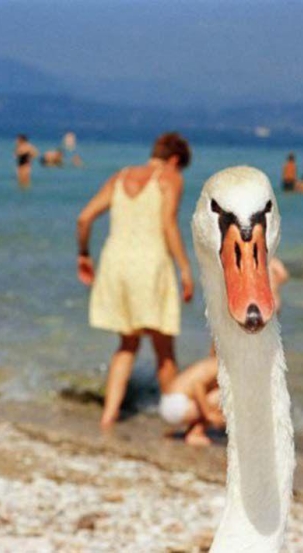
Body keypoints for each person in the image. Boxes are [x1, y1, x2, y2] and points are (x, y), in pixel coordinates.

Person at [77, 132, 194, 432]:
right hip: (150, 264)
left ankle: (108, 418)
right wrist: (184, 268)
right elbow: (168, 225)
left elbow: (84, 218)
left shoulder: (121, 177)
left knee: (127, 344)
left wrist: (84, 254)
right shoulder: (170, 178)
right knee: (164, 349)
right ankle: (178, 420)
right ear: (176, 160)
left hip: (115, 264)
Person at [159, 355, 224, 446]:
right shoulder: (219, 365)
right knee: (224, 395)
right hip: (176, 406)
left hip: (172, 404)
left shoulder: (215, 363)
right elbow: (197, 385)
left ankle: (191, 430)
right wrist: (209, 414)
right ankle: (195, 434)